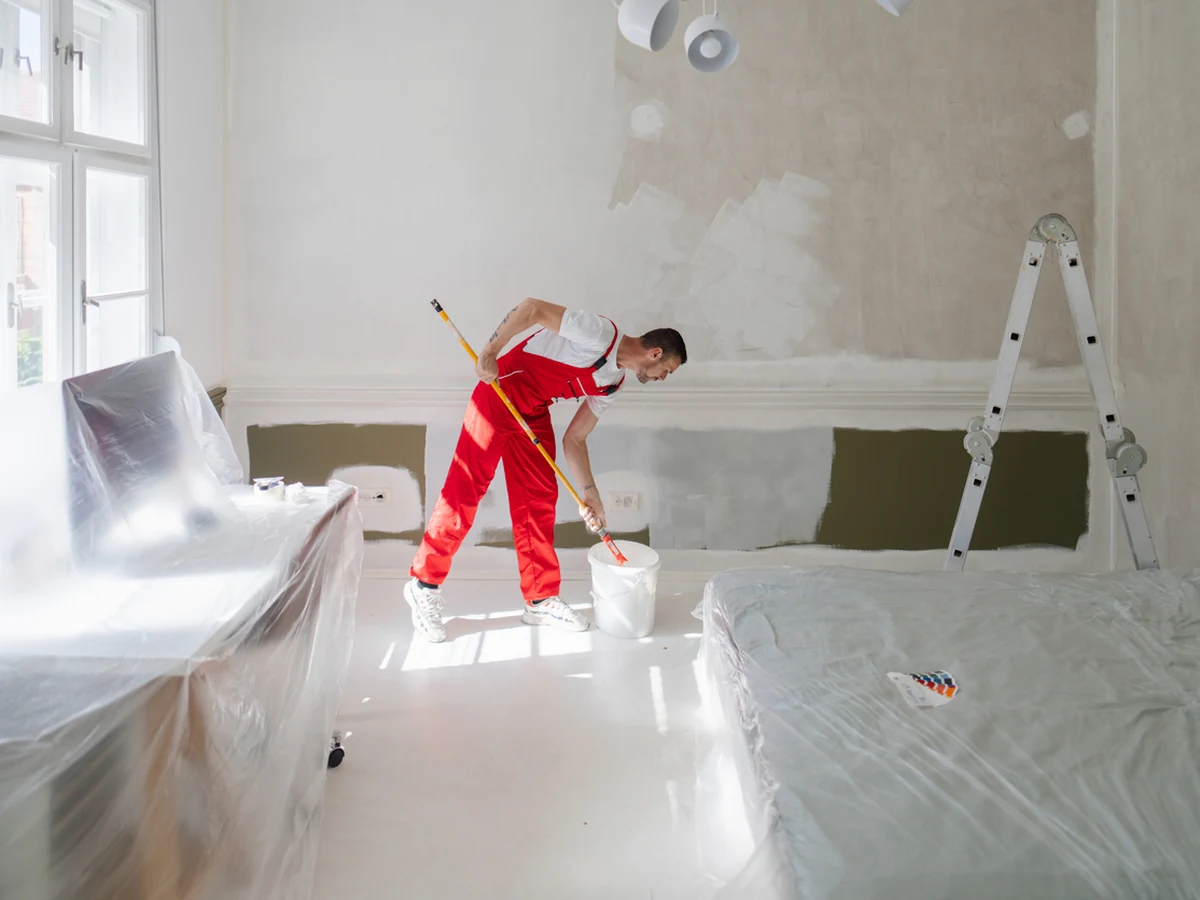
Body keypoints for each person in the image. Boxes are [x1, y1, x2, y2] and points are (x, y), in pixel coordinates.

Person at [404, 298, 687, 642]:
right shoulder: (600, 333)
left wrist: (591, 494)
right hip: (498, 395)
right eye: (666, 371)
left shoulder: (613, 383)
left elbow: (576, 438)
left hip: (533, 414)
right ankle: (423, 585)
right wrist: (491, 351)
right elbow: (532, 309)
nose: (661, 378)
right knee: (465, 492)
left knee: (538, 500)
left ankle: (540, 599)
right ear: (655, 353)